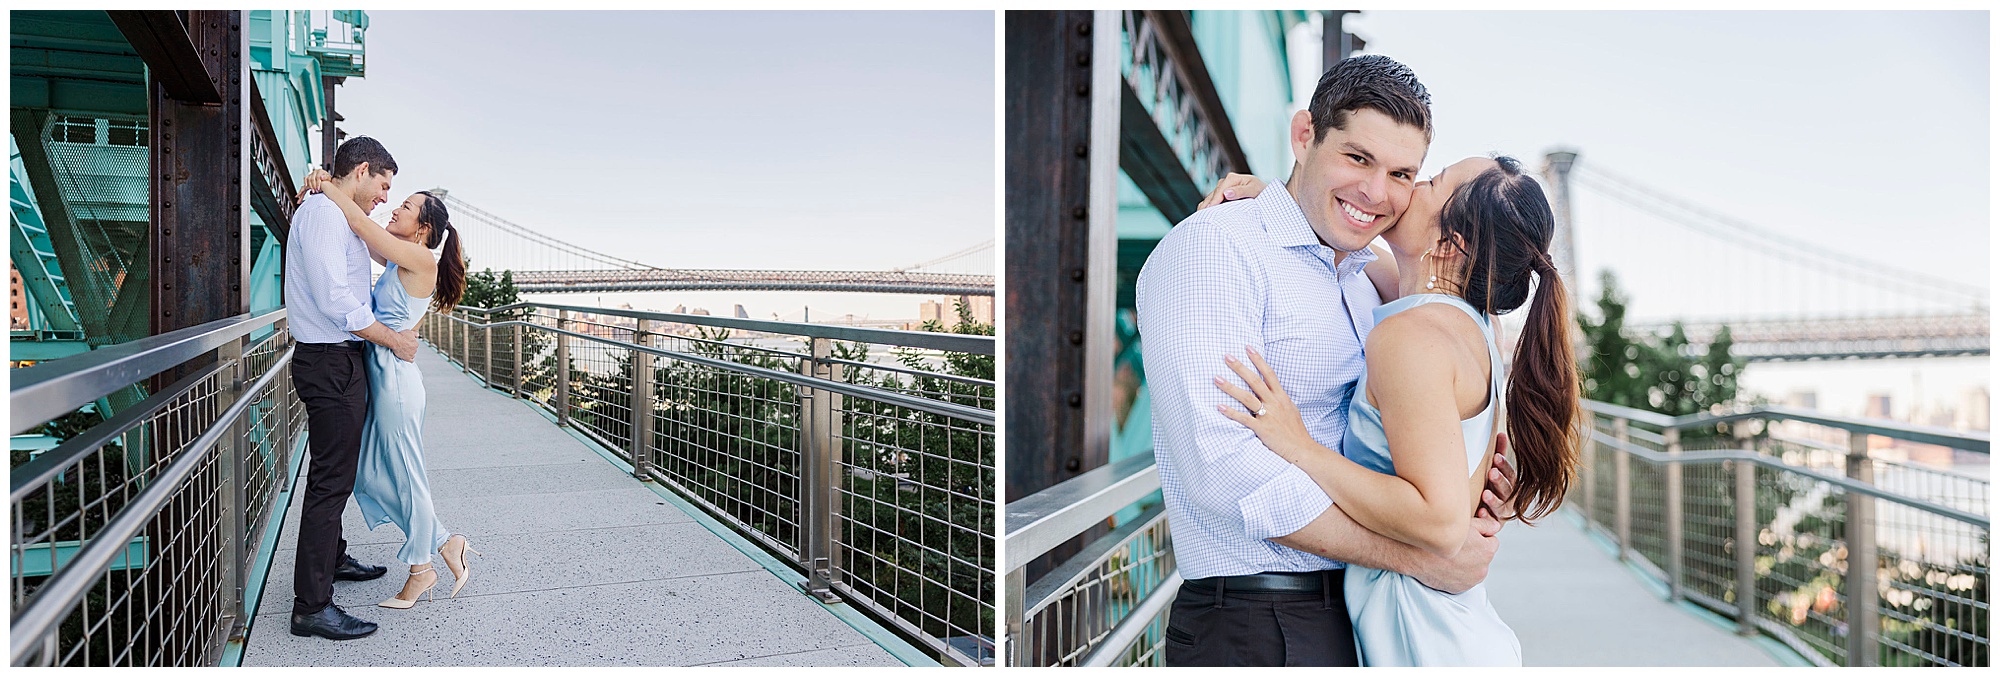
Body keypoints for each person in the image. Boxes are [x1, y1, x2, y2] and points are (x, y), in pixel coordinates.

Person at [1134, 55, 1519, 667]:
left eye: (1403, 173)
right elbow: (1224, 471)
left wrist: (1475, 477)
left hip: (1355, 612)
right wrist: (1421, 556)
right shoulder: (1215, 249)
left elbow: (1469, 318)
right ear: (1304, 135)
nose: (1378, 193)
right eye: (1357, 158)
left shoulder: (1368, 274)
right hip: (1259, 621)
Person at [1203, 155, 1582, 665]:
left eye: (1431, 181)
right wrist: (1283, 200)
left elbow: (1441, 522)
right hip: (1446, 628)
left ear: (1451, 246)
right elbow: (1391, 266)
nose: (1410, 187)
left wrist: (1300, 448)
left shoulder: (1410, 337)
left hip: (1421, 639)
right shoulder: (1470, 323)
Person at [298, 165, 482, 610]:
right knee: (370, 474)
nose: (394, 205)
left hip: (396, 382)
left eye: (406, 205)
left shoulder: (421, 259)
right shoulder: (401, 255)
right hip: (379, 374)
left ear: (424, 228)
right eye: (394, 198)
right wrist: (328, 183)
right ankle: (444, 541)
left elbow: (359, 223)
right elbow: (357, 237)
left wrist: (326, 185)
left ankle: (422, 569)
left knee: (407, 475)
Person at [284, 136, 418, 641]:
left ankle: (332, 559)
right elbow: (336, 299)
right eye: (384, 184)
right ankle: (312, 607)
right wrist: (394, 341)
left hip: (339, 360)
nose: (385, 196)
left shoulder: (335, 212)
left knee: (334, 472)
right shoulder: (322, 215)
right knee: (330, 481)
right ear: (362, 171)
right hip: (330, 362)